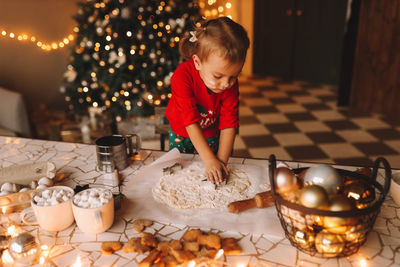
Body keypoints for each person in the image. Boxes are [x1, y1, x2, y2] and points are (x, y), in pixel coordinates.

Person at [165, 16, 250, 185]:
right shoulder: (182, 77)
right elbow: (190, 121)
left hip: (212, 134)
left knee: (212, 172)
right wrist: (209, 160)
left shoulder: (228, 84)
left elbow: (229, 123)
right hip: (181, 134)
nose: (226, 84)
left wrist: (220, 163)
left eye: (234, 76)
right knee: (181, 178)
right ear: (197, 62)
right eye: (218, 76)